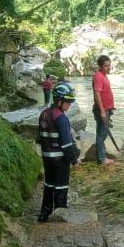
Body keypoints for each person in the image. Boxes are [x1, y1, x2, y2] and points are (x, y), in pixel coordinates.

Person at [36, 82, 80, 221]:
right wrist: (74, 160)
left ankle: (44, 213)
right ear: (59, 101)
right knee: (61, 186)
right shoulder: (61, 118)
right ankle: (60, 215)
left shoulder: (44, 114)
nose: (70, 105)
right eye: (68, 102)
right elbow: (67, 144)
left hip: (47, 157)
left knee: (49, 185)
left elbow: (40, 138)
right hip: (60, 159)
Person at [92, 55, 116, 165]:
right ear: (100, 66)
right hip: (102, 110)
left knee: (101, 133)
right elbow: (97, 94)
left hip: (106, 109)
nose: (108, 67)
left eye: (109, 65)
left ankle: (101, 155)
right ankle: (102, 159)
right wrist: (102, 111)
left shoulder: (104, 75)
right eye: (106, 66)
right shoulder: (98, 76)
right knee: (102, 134)